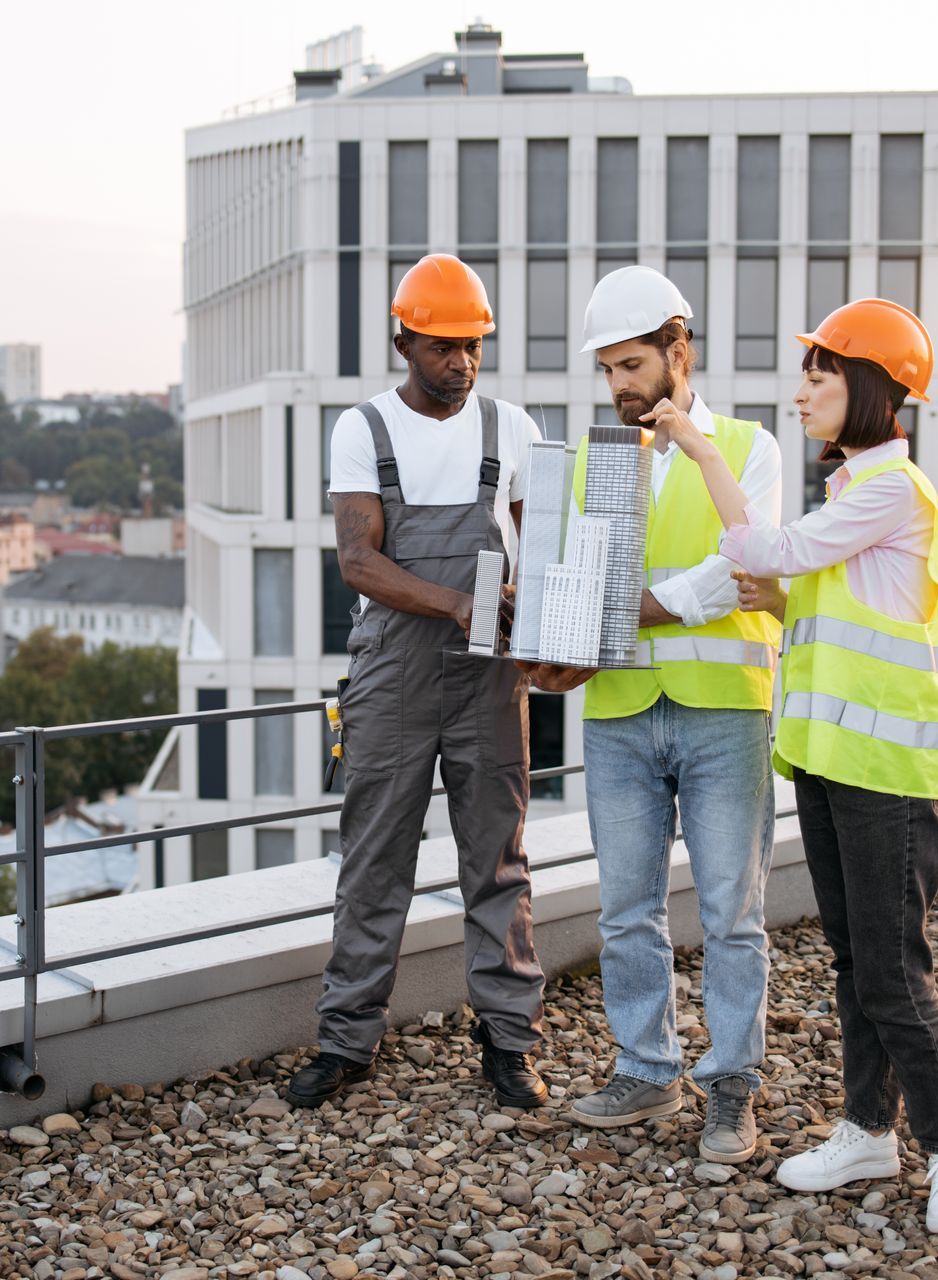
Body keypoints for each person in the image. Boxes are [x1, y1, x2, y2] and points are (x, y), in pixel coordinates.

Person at [666, 297, 938, 1233]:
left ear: (875, 390)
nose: (803, 389)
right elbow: (824, 615)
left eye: (822, 373)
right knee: (855, 961)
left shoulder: (894, 490)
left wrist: (707, 453)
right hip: (833, 766)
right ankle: (865, 1131)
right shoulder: (854, 496)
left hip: (886, 776)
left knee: (895, 973)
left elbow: (767, 545)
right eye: (807, 372)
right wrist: (782, 602)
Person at [523, 266, 784, 1163]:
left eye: (632, 364)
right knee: (625, 911)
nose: (619, 385)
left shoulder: (751, 449)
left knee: (731, 914)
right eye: (607, 371)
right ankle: (647, 1068)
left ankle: (731, 1088)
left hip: (724, 712)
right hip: (621, 709)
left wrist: (638, 608)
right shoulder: (605, 461)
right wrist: (559, 650)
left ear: (681, 353)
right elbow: (579, 581)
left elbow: (739, 572)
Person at [284, 254, 550, 1111]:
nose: (461, 362)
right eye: (442, 346)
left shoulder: (512, 428)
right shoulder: (362, 429)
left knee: (498, 862)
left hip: (489, 679)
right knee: (374, 862)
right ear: (405, 342)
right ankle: (346, 1041)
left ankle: (510, 1043)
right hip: (393, 672)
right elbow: (359, 560)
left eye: (472, 345)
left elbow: (530, 539)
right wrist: (458, 602)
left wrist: (537, 614)